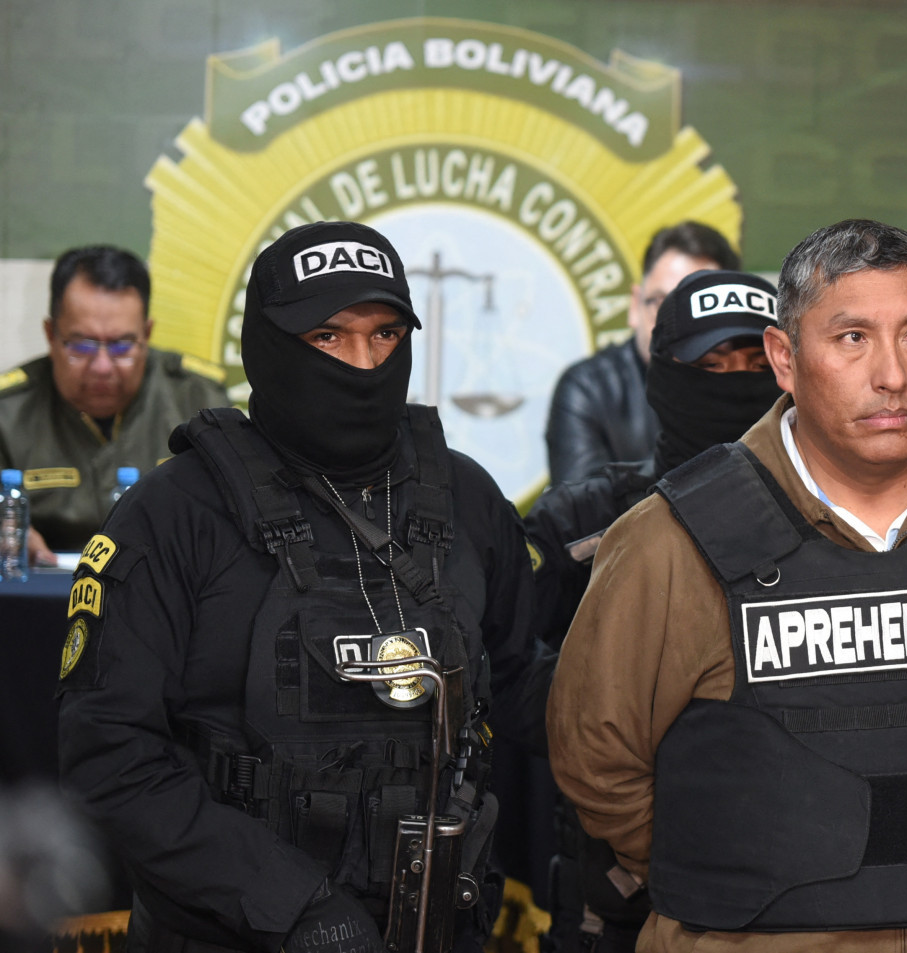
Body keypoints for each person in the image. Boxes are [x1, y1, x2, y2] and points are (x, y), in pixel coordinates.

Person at [547, 219, 907, 953]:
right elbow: (596, 759)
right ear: (784, 357)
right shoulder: (666, 543)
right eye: (852, 338)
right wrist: (734, 871)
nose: (892, 375)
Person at [58, 221, 550, 953]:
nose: (362, 362)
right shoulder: (173, 516)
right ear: (269, 345)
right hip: (230, 932)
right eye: (329, 337)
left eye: (385, 336)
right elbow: (110, 754)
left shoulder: (467, 500)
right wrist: (293, 904)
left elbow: (521, 691)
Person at [524, 270, 782, 953]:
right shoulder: (584, 520)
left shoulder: (837, 517)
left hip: (792, 874)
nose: (736, 380)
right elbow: (496, 653)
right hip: (613, 883)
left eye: (756, 363)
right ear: (664, 374)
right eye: (711, 365)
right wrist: (610, 711)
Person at [0, 245, 229, 563]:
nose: (102, 367)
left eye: (122, 345)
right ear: (51, 335)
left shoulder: (197, 400)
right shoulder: (9, 411)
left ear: (146, 336)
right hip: (40, 595)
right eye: (82, 345)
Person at [544, 222, 741, 485]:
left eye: (693, 307)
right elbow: (581, 516)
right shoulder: (588, 387)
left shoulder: (751, 386)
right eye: (661, 302)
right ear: (635, 305)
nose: (671, 323)